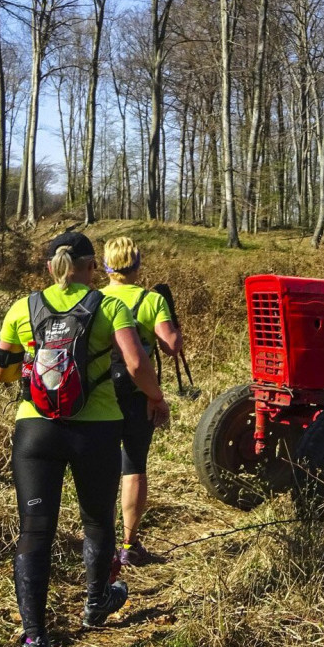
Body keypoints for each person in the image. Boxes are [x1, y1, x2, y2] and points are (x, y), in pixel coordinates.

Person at [0, 231, 171, 647]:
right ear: (91, 266)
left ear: (51, 267)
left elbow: (1, 374)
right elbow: (135, 363)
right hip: (97, 429)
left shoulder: (22, 307)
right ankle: (95, 602)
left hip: (35, 432)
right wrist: (157, 398)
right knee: (96, 519)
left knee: (35, 531)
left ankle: (34, 641)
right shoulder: (110, 306)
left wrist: (35, 366)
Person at [102, 236, 183, 567]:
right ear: (137, 263)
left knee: (100, 468)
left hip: (98, 395)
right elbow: (171, 346)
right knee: (133, 465)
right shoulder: (152, 301)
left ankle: (99, 541)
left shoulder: (94, 298)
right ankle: (129, 543)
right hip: (138, 395)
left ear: (105, 265)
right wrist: (171, 313)